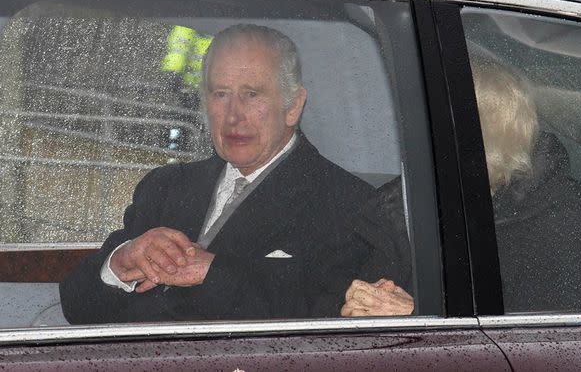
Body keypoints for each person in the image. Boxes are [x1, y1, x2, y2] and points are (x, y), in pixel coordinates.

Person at [60, 24, 374, 323]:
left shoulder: (349, 204)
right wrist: (120, 264)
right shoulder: (166, 186)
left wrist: (213, 272)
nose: (234, 115)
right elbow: (77, 305)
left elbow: (331, 312)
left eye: (252, 94)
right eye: (220, 94)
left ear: (293, 106)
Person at [341, 49, 581, 316]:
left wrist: (421, 313)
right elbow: (346, 295)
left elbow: (556, 325)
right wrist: (358, 304)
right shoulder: (399, 208)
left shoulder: (556, 214)